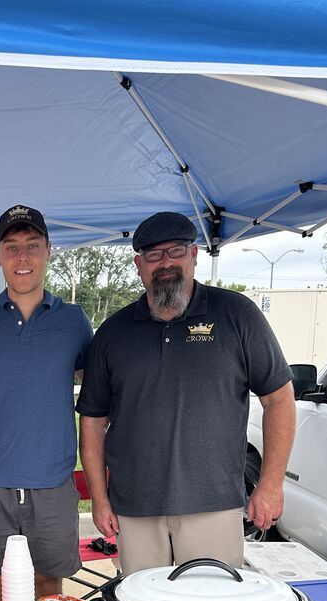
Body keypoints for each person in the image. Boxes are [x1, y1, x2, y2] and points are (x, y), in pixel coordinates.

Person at [78, 211, 295, 574]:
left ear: (194, 255)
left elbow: (279, 399)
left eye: (175, 251)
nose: (165, 263)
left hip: (214, 504)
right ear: (138, 265)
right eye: (153, 255)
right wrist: (100, 500)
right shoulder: (113, 333)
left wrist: (271, 484)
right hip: (134, 507)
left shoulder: (237, 315)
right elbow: (93, 422)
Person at [0, 205, 93, 601]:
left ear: (49, 250)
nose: (22, 257)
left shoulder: (74, 321)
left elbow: (95, 394)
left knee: (48, 590)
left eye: (32, 245)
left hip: (52, 482)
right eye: (12, 246)